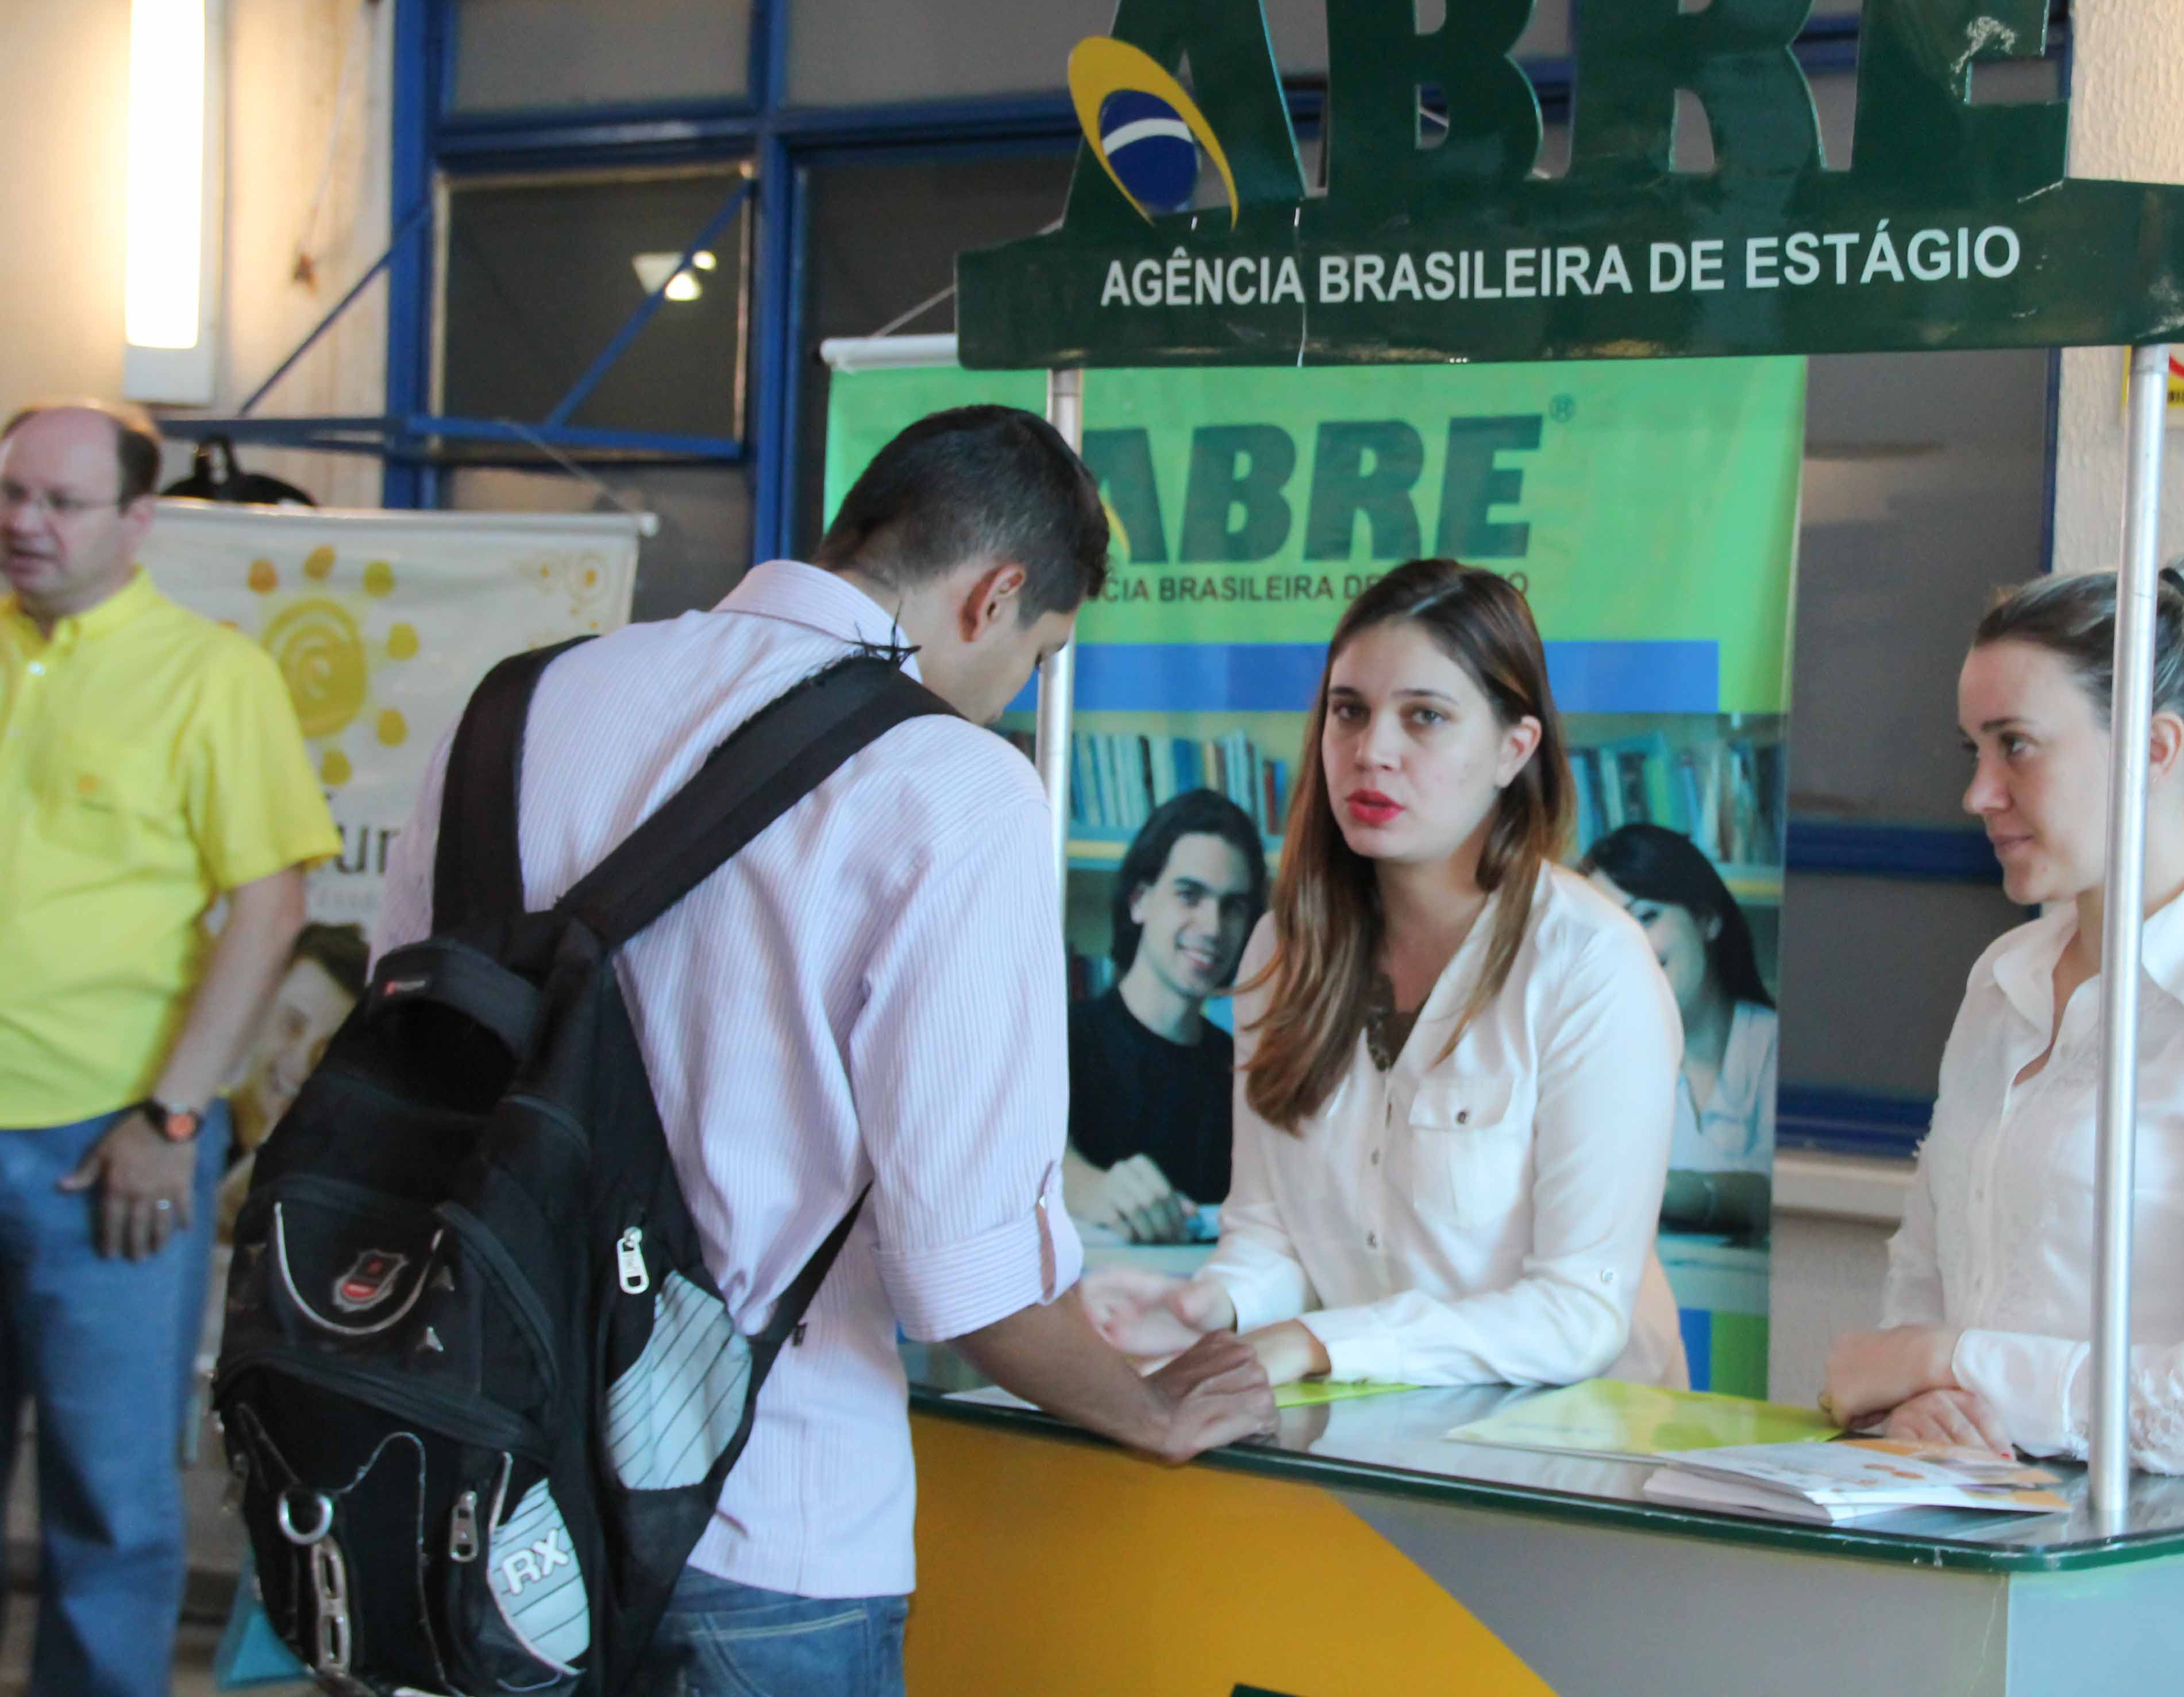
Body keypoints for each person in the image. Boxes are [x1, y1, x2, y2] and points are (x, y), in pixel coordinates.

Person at [375, 405, 1273, 1697]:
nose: (1021, 688)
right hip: (760, 1528)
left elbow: (408, 1053)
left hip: (465, 1479)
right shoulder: (955, 787)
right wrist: (1148, 1406)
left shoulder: (516, 706)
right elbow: (969, 1281)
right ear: (995, 596)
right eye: (1041, 651)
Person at [1822, 544, 2184, 1488]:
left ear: (2154, 750)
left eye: (2016, 746)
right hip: (1978, 1528)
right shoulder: (2001, 982)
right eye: (1974, 751)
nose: (1977, 793)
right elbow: (1916, 1298)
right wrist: (1909, 1398)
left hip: (2170, 1571)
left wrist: (1948, 1366)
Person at [1080, 559, 1688, 1391]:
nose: (1373, 753)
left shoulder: (1592, 963)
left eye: (1426, 718)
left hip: (1567, 1467)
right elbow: (1270, 1241)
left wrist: (1325, 1344)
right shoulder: (1278, 952)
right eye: (1349, 713)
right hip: (1366, 1446)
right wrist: (1206, 1308)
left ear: (1515, 750)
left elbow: (1579, 1312)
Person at [0, 401, 339, 1697]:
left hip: (106, 1154)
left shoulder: (211, 677)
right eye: (12, 493)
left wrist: (176, 1118)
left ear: (139, 519)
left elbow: (270, 906)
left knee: (110, 1509)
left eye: (60, 503)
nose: (25, 523)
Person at [1063, 788, 1268, 1244]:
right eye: (1190, 895)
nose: (1213, 927)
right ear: (1139, 900)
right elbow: (1016, 1164)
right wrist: (1088, 1188)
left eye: (1232, 906)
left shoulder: (1248, 1076)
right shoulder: (1059, 1040)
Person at [1581, 824, 1777, 1242]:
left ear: (1707, 920)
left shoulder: (1777, 1046)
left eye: (1646, 918)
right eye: (1608, 930)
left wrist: (1675, 1192)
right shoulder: (1596, 1061)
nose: (1628, 946)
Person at [215, 920, 370, 1239]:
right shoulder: (184, 1135)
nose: (300, 1065)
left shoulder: (343, 1179)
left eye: (326, 1051)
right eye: (292, 1025)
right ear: (258, 1012)